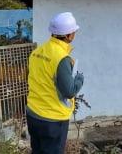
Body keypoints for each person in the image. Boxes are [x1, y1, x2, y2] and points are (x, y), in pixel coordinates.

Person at [26, 12, 84, 154]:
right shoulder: (62, 58)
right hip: (52, 119)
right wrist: (79, 78)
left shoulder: (37, 52)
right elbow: (69, 91)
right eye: (74, 32)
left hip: (33, 113)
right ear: (69, 35)